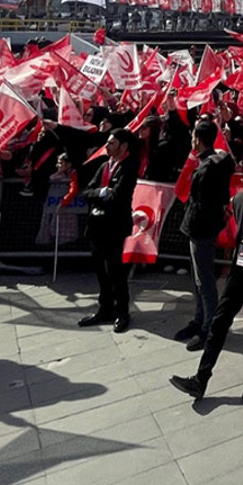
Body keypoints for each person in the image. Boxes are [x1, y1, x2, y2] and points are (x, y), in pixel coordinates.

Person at [168, 162, 243, 403]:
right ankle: (201, 378)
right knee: (219, 322)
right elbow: (233, 228)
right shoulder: (238, 200)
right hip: (240, 268)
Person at [175, 119, 235, 351]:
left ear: (197, 140)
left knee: (204, 281)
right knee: (198, 279)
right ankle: (200, 319)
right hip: (205, 228)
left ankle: (209, 328)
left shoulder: (206, 167)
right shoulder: (221, 160)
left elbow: (199, 202)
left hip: (200, 230)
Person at [77, 128, 138, 334]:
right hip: (96, 225)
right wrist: (102, 192)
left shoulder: (128, 167)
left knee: (116, 271)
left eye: (112, 143)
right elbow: (87, 192)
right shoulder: (103, 165)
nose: (107, 146)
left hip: (115, 226)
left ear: (123, 146)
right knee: (100, 269)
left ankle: (122, 312)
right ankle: (105, 308)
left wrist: (104, 195)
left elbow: (119, 197)